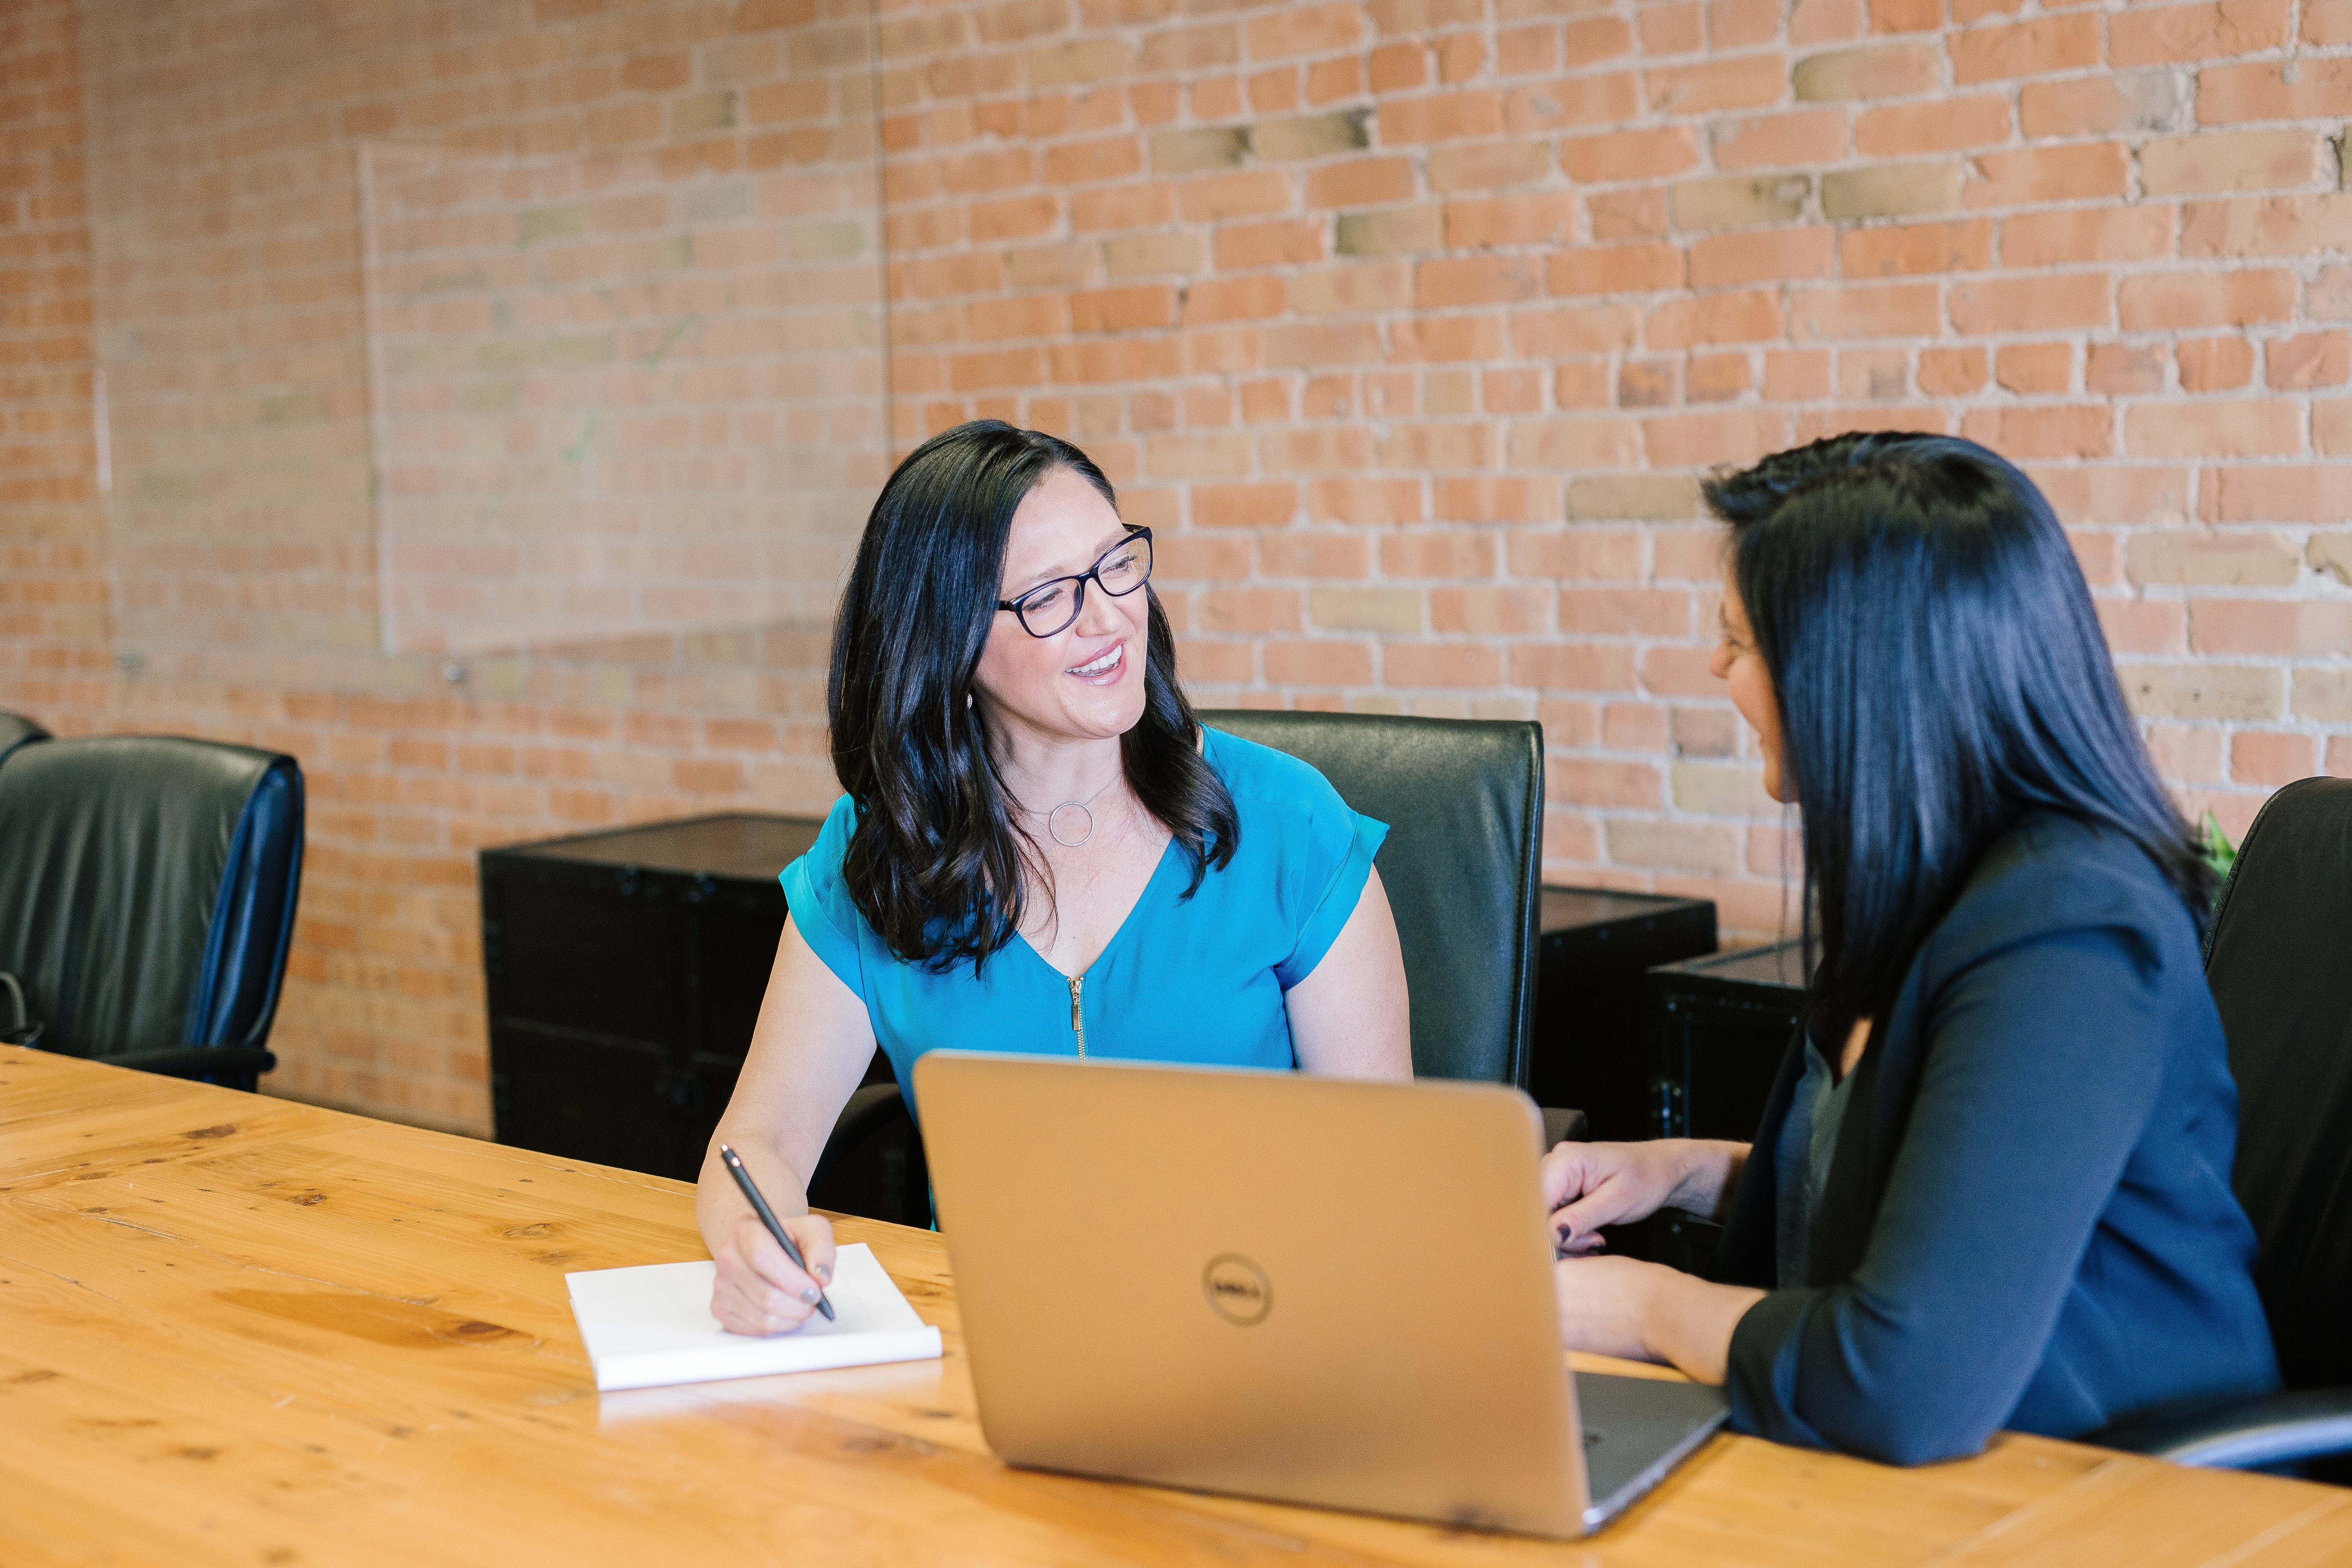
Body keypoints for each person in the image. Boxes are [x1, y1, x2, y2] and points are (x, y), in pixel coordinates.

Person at [1542, 433, 2279, 1464]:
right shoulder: (1932, 886)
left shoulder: (2069, 937)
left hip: (2108, 1487)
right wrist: (1680, 1172)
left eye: (1740, 641)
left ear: (1855, 678)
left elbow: (1902, 1380)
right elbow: (1927, 1186)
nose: (1715, 667)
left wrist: (1644, 1308)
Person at [698, 420, 1412, 1335]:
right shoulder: (879, 856)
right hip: (994, 1347)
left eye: (1118, 565)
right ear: (948, 646)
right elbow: (755, 1141)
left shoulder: (1287, 824)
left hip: (1261, 1330)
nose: (1111, 615)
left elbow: (1386, 1168)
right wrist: (752, 1249)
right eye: (1048, 597)